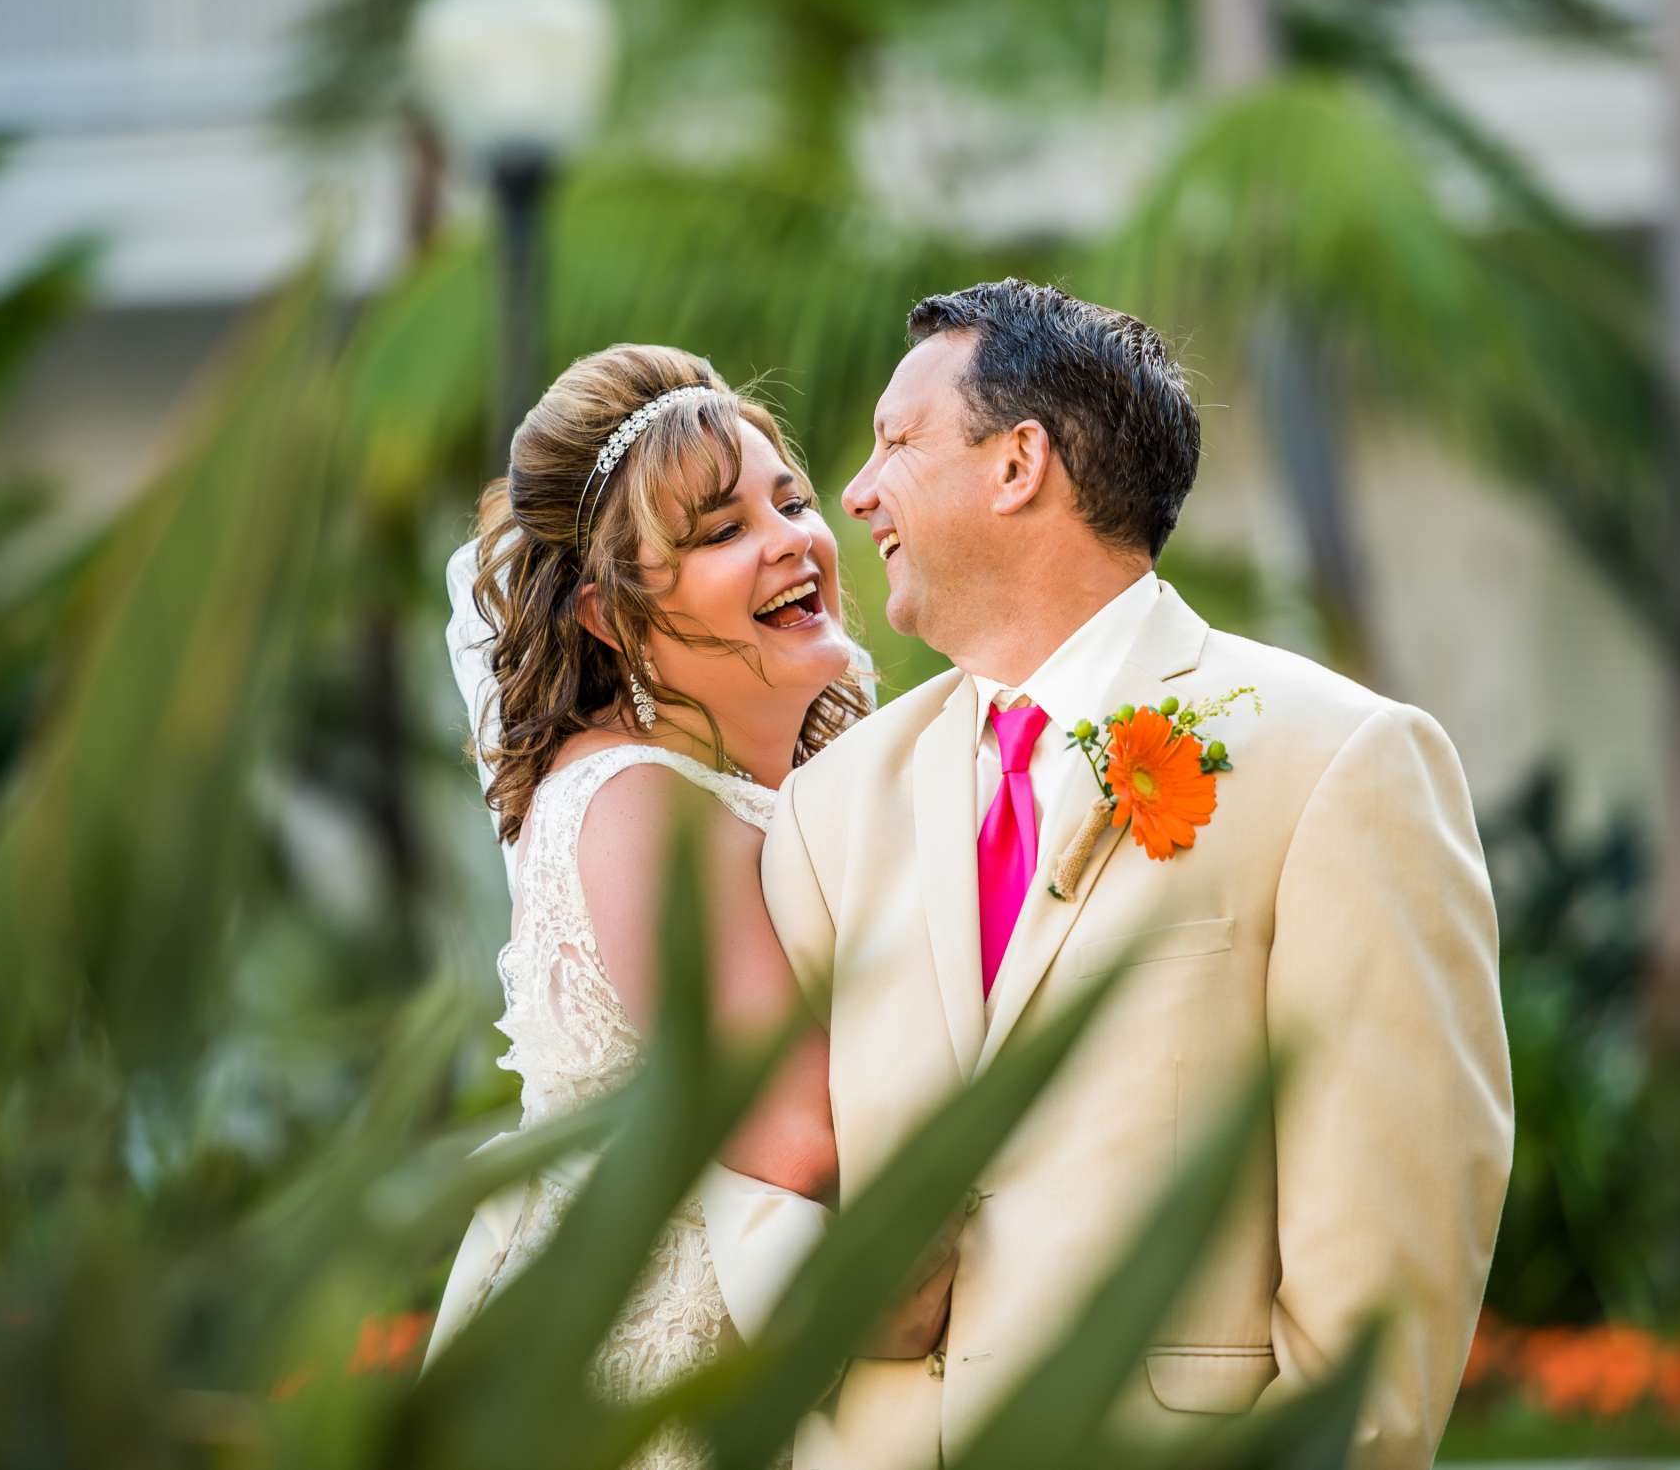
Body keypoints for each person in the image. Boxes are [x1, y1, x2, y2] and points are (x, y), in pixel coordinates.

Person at [746, 279, 1516, 1470]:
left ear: (1020, 466)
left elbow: (1387, 1289)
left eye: (897, 442)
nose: (855, 493)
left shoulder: (1340, 763)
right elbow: (775, 1205)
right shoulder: (828, 809)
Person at [427, 344, 945, 1470]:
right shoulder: (640, 805)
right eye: (721, 533)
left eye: (790, 499)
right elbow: (798, 1141)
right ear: (613, 615)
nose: (794, 542)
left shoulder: (778, 794)